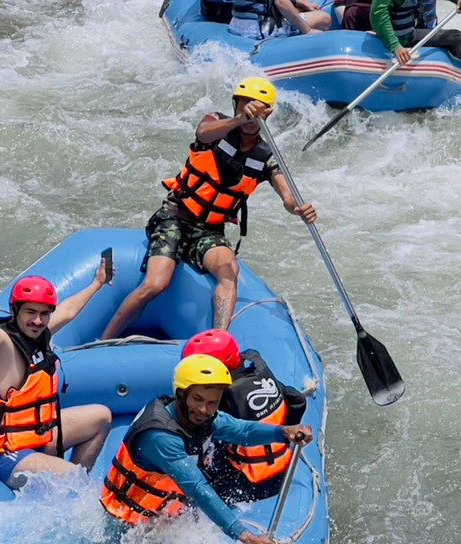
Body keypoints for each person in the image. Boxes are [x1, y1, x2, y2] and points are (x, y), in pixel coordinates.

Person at [99, 78, 317, 341]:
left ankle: (219, 341)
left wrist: (298, 209)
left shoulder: (266, 157)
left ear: (268, 114)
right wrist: (239, 119)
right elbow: (204, 133)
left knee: (229, 270)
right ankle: (104, 339)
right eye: (244, 108)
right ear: (236, 106)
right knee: (156, 284)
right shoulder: (217, 124)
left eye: (257, 112)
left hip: (209, 231)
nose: (250, 117)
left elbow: (287, 195)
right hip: (174, 217)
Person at [99, 353, 313, 544]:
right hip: (127, 529)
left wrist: (283, 432)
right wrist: (245, 537)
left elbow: (242, 431)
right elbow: (197, 488)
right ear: (181, 394)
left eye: (212, 402)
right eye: (198, 399)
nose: (204, 409)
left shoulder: (202, 417)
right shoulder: (160, 437)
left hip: (165, 516)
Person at [0, 249, 113, 489]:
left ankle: (68, 486)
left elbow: (69, 311)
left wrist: (97, 283)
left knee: (101, 416)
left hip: (31, 434)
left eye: (44, 314)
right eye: (31, 312)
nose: (38, 321)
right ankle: (72, 484)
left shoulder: (39, 334)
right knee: (74, 478)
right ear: (16, 311)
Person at [180, 329, 308, 503]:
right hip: (283, 469)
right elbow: (298, 400)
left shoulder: (225, 396)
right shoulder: (257, 371)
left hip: (250, 484)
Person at [337, 0, 461, 78]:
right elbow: (377, 13)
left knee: (449, 37)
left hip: (415, 31)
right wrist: (395, 46)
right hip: (402, 38)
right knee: (457, 37)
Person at [228, 0, 331, 39]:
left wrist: (297, 2)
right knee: (324, 19)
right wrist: (307, 30)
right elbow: (281, 3)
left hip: (237, 24)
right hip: (258, 30)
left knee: (297, 10)